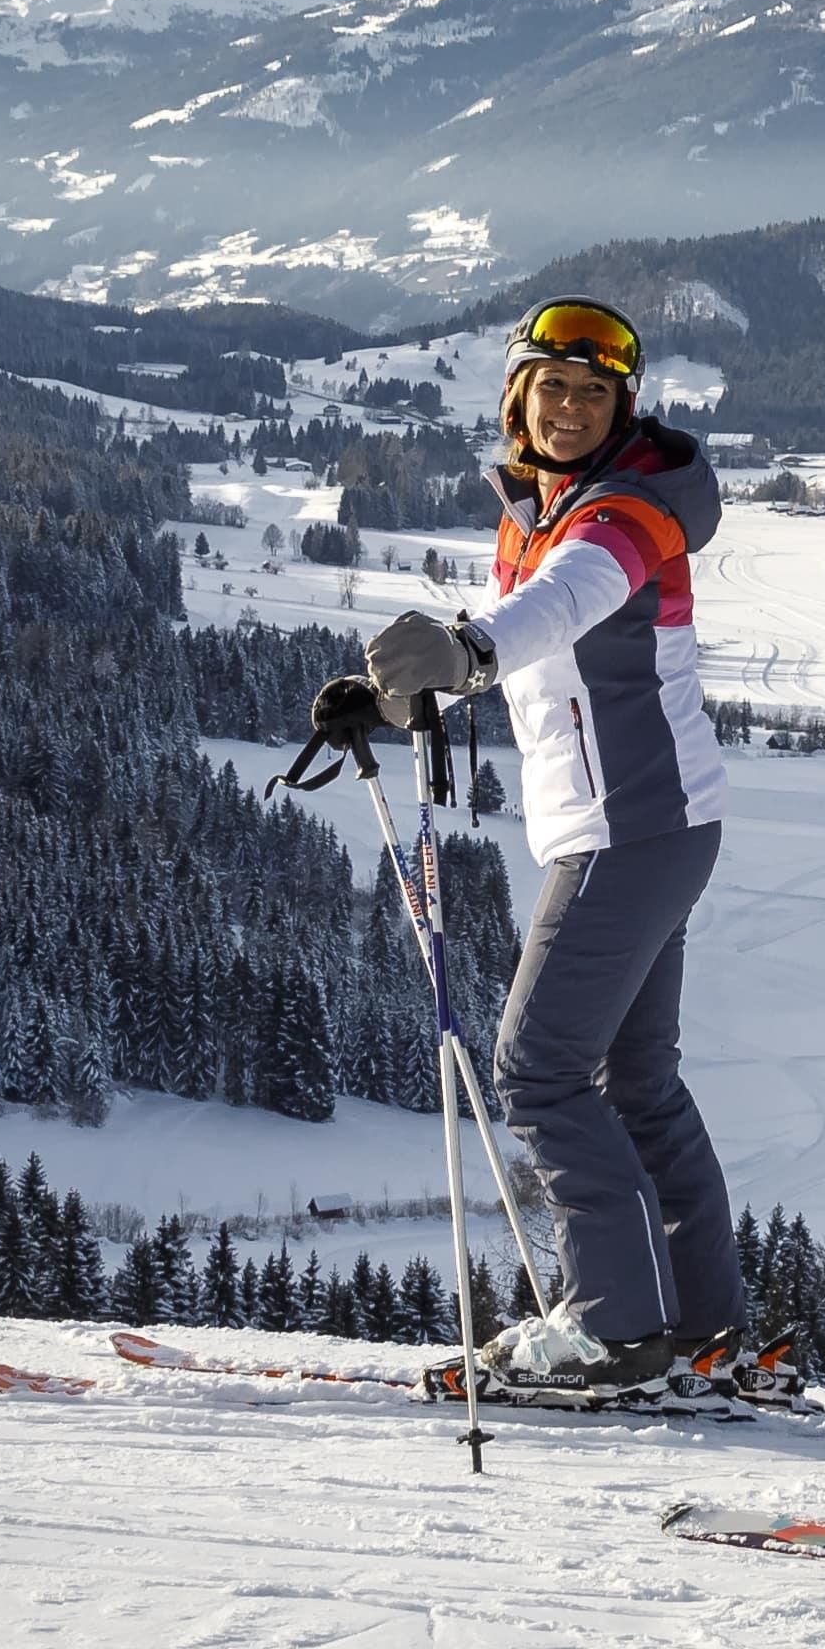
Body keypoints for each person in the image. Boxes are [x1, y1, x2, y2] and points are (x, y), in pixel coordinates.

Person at [344, 297, 741, 1388]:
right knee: (637, 1081)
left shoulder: (625, 511)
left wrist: (466, 652)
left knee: (536, 1071)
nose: (571, 407)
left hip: (631, 827)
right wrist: (403, 690)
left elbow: (567, 602)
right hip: (654, 823)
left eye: (594, 392)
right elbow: (535, 647)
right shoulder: (544, 508)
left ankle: (616, 1325)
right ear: (517, 399)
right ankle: (703, 1333)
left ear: (624, 407)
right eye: (552, 387)